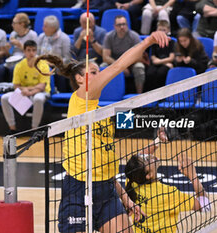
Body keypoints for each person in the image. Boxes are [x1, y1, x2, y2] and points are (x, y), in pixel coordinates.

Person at [35, 31, 170, 233]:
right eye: (95, 71)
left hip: (106, 190)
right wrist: (148, 41)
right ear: (80, 79)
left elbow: (105, 163)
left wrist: (126, 200)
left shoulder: (103, 114)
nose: (100, 75)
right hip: (78, 187)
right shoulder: (80, 101)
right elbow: (118, 66)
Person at [125, 128, 210, 232]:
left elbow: (139, 158)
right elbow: (205, 206)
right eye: (148, 160)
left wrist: (158, 141)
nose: (150, 156)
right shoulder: (168, 193)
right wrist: (193, 175)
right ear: (149, 175)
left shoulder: (132, 181)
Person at [1, 40, 50, 133]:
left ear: (36, 51)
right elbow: (16, 86)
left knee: (38, 99)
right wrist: (26, 91)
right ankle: (12, 128)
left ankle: (34, 129)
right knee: (4, 98)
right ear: (24, 51)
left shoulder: (43, 65)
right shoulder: (19, 66)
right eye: (29, 50)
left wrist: (29, 91)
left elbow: (42, 86)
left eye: (33, 50)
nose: (31, 53)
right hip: (24, 93)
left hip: (40, 93)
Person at [103, 15, 146, 93]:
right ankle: (106, 93)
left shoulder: (134, 36)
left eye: (124, 24)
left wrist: (124, 65)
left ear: (127, 25)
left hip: (131, 63)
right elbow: (106, 57)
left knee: (139, 67)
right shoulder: (108, 36)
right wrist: (120, 66)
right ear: (114, 26)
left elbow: (139, 57)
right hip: (115, 62)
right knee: (103, 66)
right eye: (119, 25)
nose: (122, 27)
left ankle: (139, 94)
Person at [0, 13, 38, 84]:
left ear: (22, 24)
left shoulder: (32, 35)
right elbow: (10, 55)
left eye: (14, 23)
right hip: (13, 60)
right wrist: (6, 49)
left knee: (13, 69)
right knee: (0, 68)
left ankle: (13, 90)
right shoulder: (13, 34)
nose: (12, 25)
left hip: (26, 61)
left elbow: (33, 54)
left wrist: (20, 45)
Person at [38, 15, 71, 92]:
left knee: (58, 72)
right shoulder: (41, 37)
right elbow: (37, 54)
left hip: (57, 67)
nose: (43, 28)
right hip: (41, 65)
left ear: (53, 28)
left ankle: (58, 93)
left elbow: (67, 59)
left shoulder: (64, 38)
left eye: (45, 26)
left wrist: (55, 62)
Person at [144, 20, 175, 92]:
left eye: (164, 30)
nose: (161, 32)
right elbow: (153, 59)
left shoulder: (172, 42)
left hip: (164, 65)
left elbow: (171, 58)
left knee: (161, 73)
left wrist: (160, 62)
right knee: (149, 73)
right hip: (162, 63)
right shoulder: (154, 42)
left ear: (168, 30)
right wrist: (164, 62)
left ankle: (161, 95)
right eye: (160, 30)